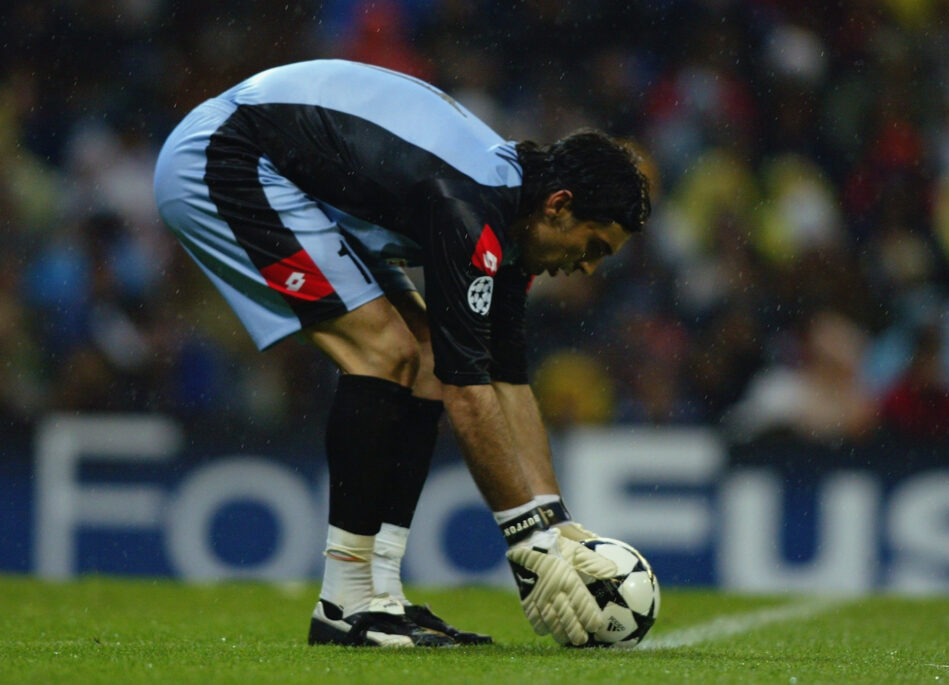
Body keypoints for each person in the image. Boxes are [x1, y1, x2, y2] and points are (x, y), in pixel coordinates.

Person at [153, 59, 650, 648]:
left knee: (421, 353)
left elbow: (506, 380)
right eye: (594, 246)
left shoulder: (513, 219)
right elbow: (471, 395)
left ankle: (380, 597)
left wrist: (555, 523)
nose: (588, 266)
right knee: (385, 350)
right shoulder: (473, 206)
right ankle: (344, 604)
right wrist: (524, 537)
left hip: (285, 172)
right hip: (224, 155)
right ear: (559, 205)